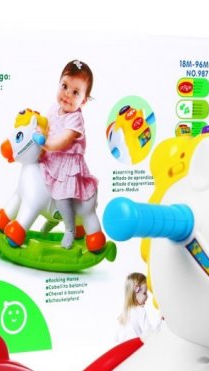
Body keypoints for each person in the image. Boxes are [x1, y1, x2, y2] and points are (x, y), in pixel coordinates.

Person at [41, 60, 104, 251]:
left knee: (61, 196)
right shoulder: (54, 107)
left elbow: (65, 140)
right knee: (41, 187)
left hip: (67, 165)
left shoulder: (75, 118)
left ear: (83, 101)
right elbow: (45, 124)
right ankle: (52, 219)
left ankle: (70, 229)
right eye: (64, 86)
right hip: (51, 158)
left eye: (75, 92)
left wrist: (46, 144)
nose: (67, 94)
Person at [116, 272, 160, 342]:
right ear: (135, 292)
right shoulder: (140, 311)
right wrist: (160, 322)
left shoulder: (123, 315)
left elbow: (116, 339)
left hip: (125, 347)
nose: (147, 296)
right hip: (137, 347)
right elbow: (150, 334)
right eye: (144, 293)